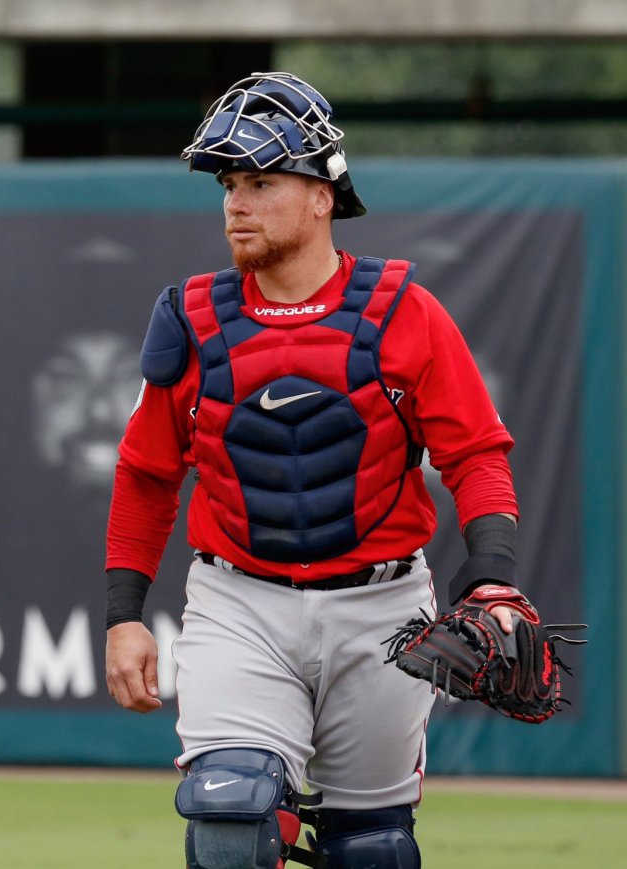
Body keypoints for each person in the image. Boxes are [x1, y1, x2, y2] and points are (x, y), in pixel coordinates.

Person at [104, 72, 529, 868]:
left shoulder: (405, 312)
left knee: (370, 848)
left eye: (261, 182)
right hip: (240, 602)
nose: (236, 203)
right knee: (229, 819)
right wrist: (124, 613)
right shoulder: (191, 320)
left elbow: (476, 453)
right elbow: (146, 474)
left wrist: (494, 577)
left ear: (322, 196)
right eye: (229, 185)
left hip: (383, 610)